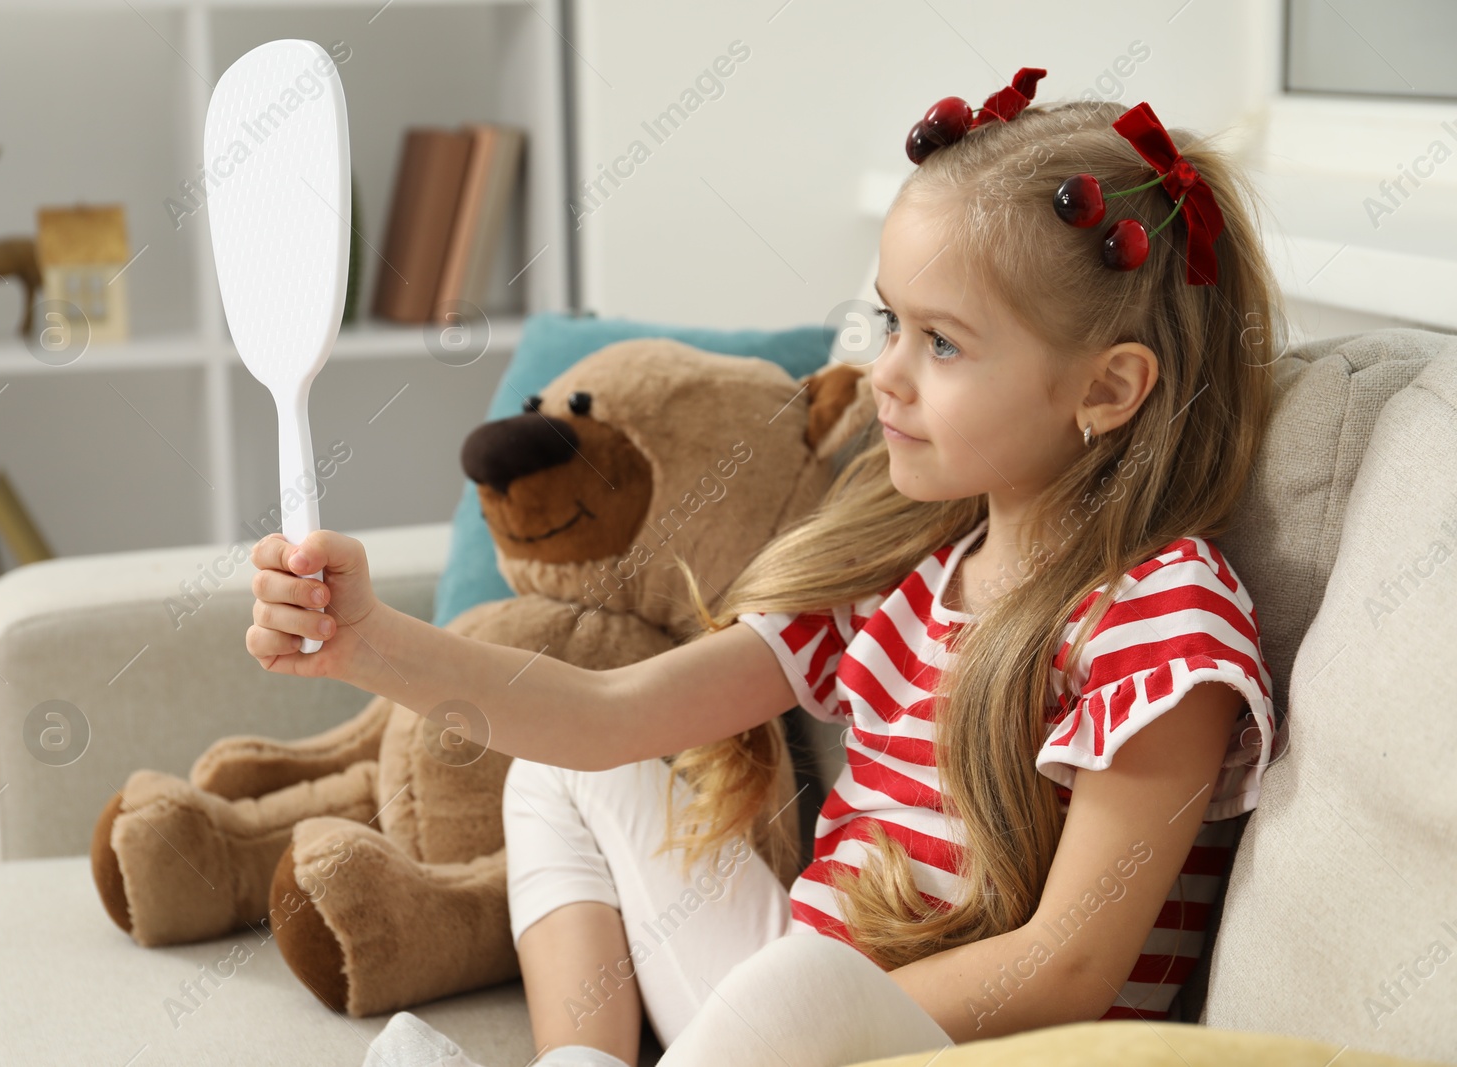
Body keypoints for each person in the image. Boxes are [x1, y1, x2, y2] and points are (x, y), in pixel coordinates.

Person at [245, 74, 1288, 1067]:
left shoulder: (1162, 616)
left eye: (943, 344)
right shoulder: (906, 570)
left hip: (942, 1042)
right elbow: (608, 715)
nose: (884, 372)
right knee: (565, 774)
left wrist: (812, 1023)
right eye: (891, 322)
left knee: (803, 980)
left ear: (1107, 388)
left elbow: (1068, 965)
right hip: (776, 1025)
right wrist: (366, 638)